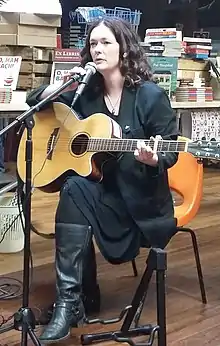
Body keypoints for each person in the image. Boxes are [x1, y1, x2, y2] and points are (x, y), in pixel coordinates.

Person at [26, 17, 179, 344]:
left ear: (124, 48)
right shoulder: (86, 94)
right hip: (105, 195)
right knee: (74, 187)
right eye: (93, 43)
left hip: (140, 203)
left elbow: (171, 148)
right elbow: (35, 104)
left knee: (76, 192)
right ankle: (70, 302)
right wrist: (59, 86)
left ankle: (79, 299)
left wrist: (154, 158)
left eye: (105, 42)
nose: (97, 49)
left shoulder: (150, 96)